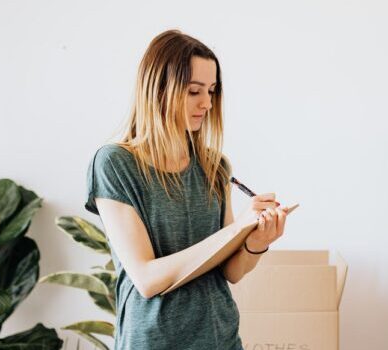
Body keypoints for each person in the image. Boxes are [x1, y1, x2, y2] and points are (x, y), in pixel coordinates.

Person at [84, 29, 288, 350]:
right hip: (151, 342)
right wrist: (238, 229)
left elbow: (230, 272)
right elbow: (147, 280)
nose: (207, 103)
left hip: (220, 338)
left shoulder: (214, 166)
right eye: (194, 91)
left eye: (211, 91)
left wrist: (255, 243)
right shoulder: (115, 164)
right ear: (158, 90)